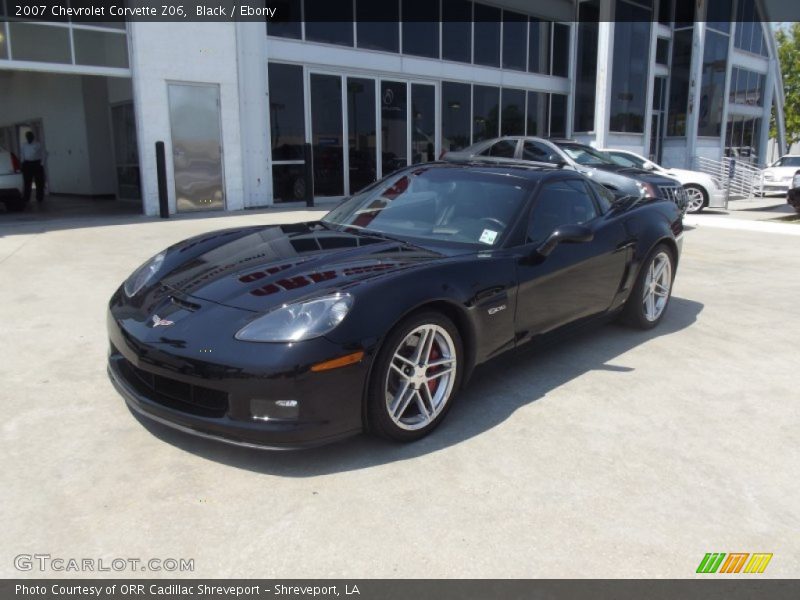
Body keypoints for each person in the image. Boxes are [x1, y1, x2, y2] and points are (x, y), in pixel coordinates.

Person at [21, 131, 46, 203]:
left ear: (33, 137)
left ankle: (39, 197)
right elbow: (22, 154)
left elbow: (44, 154)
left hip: (36, 164)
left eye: (30, 137)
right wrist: (22, 163)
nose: (29, 138)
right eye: (27, 137)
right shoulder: (24, 145)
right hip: (27, 164)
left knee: (39, 182)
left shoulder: (38, 144)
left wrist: (42, 164)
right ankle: (26, 198)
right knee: (27, 182)